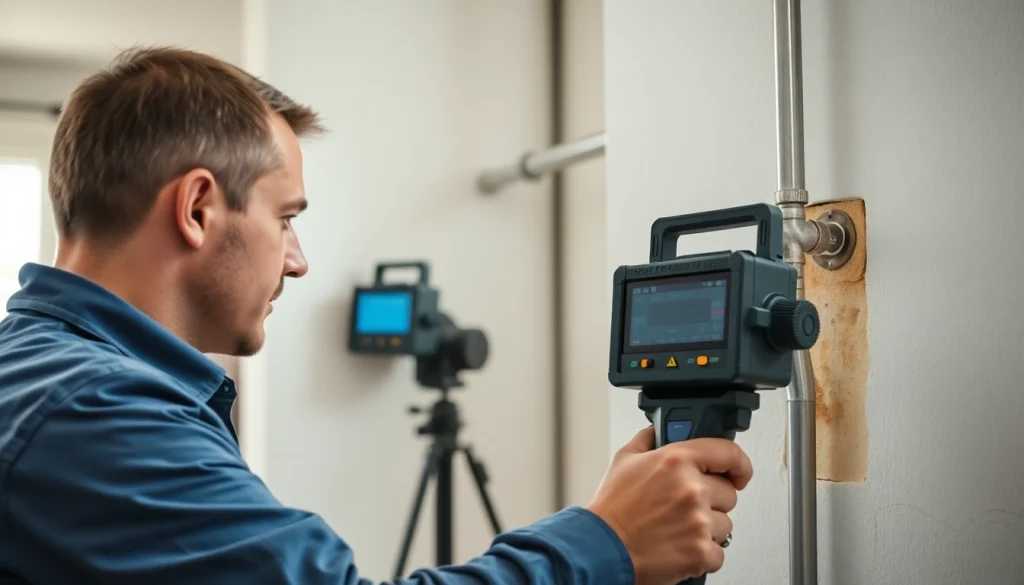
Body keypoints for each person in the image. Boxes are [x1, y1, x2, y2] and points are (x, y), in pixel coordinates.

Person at [0, 47, 753, 585]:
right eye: (285, 216)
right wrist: (610, 539)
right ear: (198, 208)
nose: (297, 260)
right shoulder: (94, 408)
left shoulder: (47, 371)